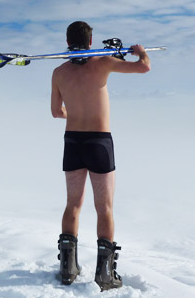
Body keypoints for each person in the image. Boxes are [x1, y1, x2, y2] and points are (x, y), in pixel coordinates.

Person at [51, 21, 150, 290]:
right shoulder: (103, 63)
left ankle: (67, 269)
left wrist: (76, 114)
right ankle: (105, 275)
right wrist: (141, 52)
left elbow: (56, 112)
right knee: (103, 207)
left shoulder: (59, 72)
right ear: (91, 40)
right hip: (99, 141)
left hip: (72, 141)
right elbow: (144, 67)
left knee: (73, 204)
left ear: (68, 40)